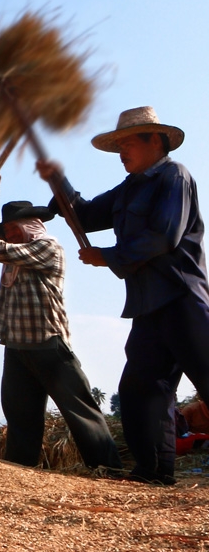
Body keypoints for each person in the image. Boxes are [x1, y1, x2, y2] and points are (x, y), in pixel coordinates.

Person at [39, 106, 209, 484]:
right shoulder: (129, 188)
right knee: (141, 389)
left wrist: (108, 257)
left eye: (128, 143)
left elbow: (163, 237)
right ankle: (154, 472)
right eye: (117, 145)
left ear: (156, 141)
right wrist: (59, 183)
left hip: (181, 298)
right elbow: (84, 215)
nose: (121, 152)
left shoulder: (173, 176)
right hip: (149, 305)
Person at [0, 171, 122, 470]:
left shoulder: (47, 248)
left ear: (31, 226)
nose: (10, 235)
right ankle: (20, 470)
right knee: (21, 416)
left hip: (48, 344)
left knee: (79, 409)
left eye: (15, 229)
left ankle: (107, 468)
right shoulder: (14, 249)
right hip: (17, 345)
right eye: (8, 230)